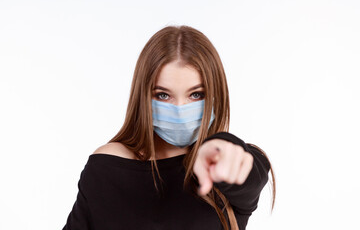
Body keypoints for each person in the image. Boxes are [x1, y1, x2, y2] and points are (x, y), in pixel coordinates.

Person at [62, 25, 276, 230]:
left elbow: (246, 171)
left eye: (196, 95)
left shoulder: (231, 164)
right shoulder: (106, 167)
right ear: (144, 97)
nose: (180, 110)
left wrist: (220, 149)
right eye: (163, 95)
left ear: (215, 96)